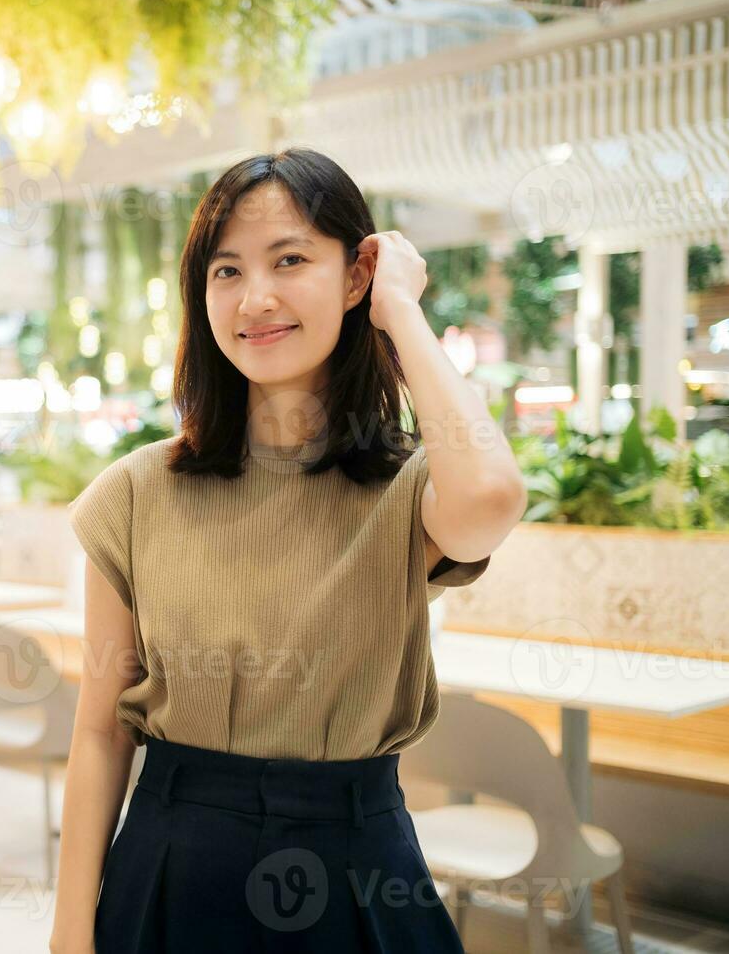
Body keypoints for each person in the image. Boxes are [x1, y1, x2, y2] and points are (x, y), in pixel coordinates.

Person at [48, 148, 527, 953]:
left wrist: (402, 311)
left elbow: (489, 499)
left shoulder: (405, 491)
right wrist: (70, 930)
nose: (255, 297)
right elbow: (101, 730)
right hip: (171, 865)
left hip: (358, 866)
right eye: (226, 271)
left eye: (291, 259)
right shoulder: (136, 492)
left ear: (354, 278)